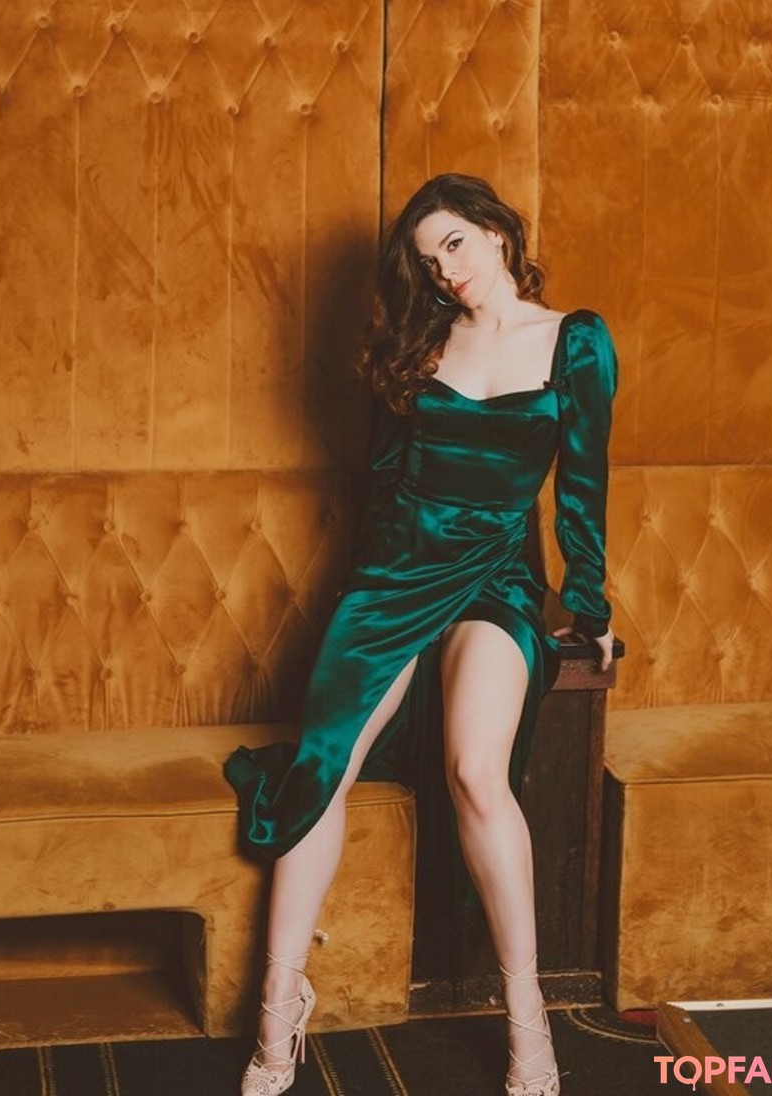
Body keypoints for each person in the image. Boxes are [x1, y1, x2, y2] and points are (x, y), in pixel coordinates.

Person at [225, 173, 617, 1096]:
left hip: (496, 577)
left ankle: (528, 1019)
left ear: (496, 231)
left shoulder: (574, 340)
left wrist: (589, 609)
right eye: (427, 258)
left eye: (454, 243)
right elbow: (384, 482)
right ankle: (278, 1006)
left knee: (475, 770)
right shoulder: (421, 342)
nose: (444, 269)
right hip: (396, 572)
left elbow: (583, 485)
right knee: (322, 764)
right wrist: (365, 614)